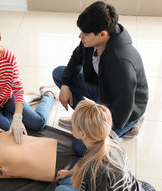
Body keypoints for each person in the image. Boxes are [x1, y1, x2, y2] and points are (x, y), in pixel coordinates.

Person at [52, 1, 148, 156]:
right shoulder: (91, 40)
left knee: (80, 147)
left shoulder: (121, 63)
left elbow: (124, 108)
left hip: (124, 110)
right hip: (103, 90)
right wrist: (65, 85)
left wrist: (99, 130)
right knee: (60, 74)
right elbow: (76, 59)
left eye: (85, 33)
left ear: (103, 34)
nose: (80, 36)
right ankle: (83, 120)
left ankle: (134, 124)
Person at [54, 100, 158, 191]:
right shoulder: (110, 137)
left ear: (84, 135)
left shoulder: (95, 171)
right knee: (66, 180)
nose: (72, 124)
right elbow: (87, 163)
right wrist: (68, 173)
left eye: (74, 124)